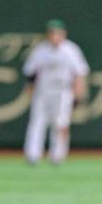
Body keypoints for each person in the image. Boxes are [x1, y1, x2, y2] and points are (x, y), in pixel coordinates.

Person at [22, 19, 90, 164]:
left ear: (63, 34)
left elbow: (80, 74)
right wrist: (29, 91)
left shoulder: (71, 50)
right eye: (52, 33)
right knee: (37, 122)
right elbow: (30, 73)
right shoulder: (41, 50)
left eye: (57, 33)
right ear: (48, 34)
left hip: (63, 91)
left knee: (60, 123)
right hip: (43, 91)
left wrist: (79, 94)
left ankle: (57, 156)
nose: (54, 36)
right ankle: (33, 155)